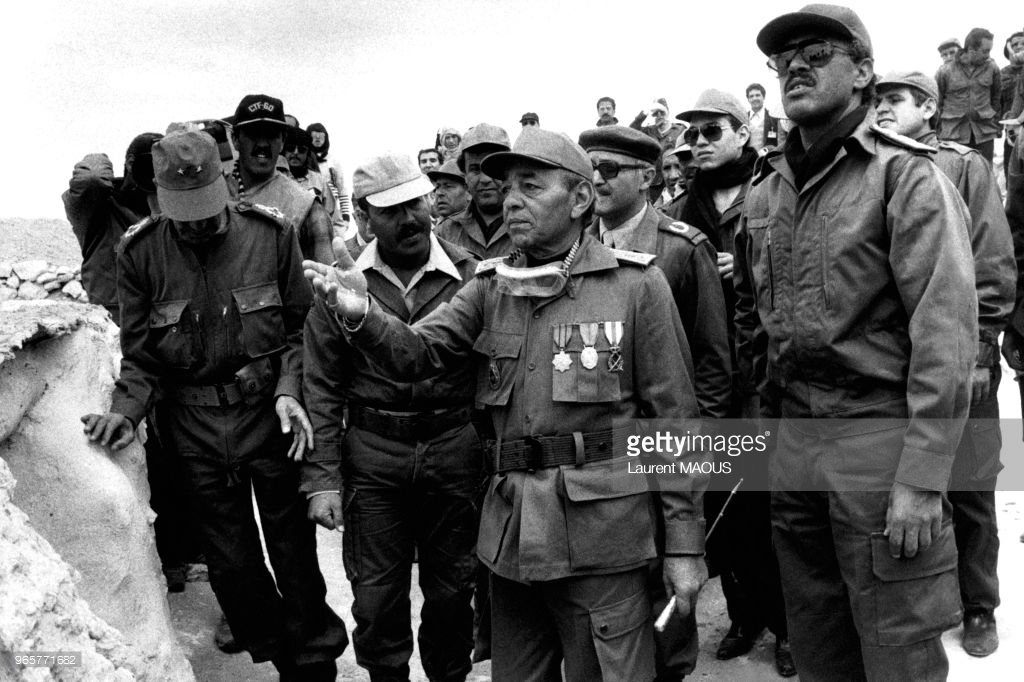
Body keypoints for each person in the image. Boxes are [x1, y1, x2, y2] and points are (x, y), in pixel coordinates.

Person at [302, 126, 708, 681]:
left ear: (581, 199)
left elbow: (676, 427)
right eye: (507, 187)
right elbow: (417, 352)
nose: (512, 200)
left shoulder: (637, 287)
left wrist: (685, 547)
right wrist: (361, 314)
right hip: (514, 542)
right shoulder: (492, 287)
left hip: (604, 541)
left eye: (531, 187)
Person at [735, 6, 976, 681]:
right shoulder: (767, 189)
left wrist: (924, 479)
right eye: (783, 61)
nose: (795, 68)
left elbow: (946, 335)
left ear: (864, 71)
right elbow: (753, 322)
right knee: (818, 644)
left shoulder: (905, 177)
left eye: (816, 52)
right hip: (794, 448)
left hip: (878, 443)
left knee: (898, 651)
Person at [81, 130, 348, 681]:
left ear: (225, 183)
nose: (198, 224)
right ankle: (280, 654)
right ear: (159, 197)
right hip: (193, 431)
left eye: (206, 209)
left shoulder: (270, 235)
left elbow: (302, 330)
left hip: (269, 419)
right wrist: (124, 412)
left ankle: (315, 663)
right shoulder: (139, 253)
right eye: (184, 214)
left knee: (294, 555)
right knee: (232, 569)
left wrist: (287, 389)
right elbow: (140, 357)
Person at [302, 152, 480, 682]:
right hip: (375, 459)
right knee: (377, 598)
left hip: (453, 452)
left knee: (453, 595)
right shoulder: (341, 281)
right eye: (392, 209)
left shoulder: (471, 273)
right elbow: (323, 385)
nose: (409, 219)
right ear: (362, 216)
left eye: (416, 203)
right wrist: (322, 480)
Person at [579, 124, 730, 681]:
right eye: (589, 167)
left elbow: (713, 365)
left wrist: (702, 458)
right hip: (601, 452)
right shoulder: (576, 246)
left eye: (610, 169)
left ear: (648, 177)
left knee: (672, 579)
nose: (596, 178)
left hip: (665, 444)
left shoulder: (681, 249)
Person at [875, 69, 1015, 659]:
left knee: (972, 485)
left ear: (929, 108)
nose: (881, 109)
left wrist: (981, 349)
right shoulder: (875, 170)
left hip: (967, 357)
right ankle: (936, 603)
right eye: (876, 99)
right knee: (913, 486)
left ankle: (979, 605)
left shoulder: (962, 165)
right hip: (908, 363)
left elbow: (992, 262)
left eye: (895, 100)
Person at [674, 88, 794, 677]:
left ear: (743, 133)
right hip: (710, 382)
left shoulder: (775, 189)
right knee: (728, 510)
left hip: (768, 376)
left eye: (711, 131)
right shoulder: (678, 209)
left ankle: (791, 625)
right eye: (691, 135)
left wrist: (745, 264)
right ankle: (745, 616)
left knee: (783, 508)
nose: (698, 143)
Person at [62, 132, 162, 321]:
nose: (155, 174)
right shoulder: (96, 208)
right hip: (114, 322)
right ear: (131, 163)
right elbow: (92, 178)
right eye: (150, 165)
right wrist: (100, 159)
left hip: (161, 320)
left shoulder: (170, 208)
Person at [224, 93, 334, 264]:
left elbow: (326, 281)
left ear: (282, 141)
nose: (262, 144)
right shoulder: (212, 196)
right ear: (235, 139)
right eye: (253, 134)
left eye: (271, 135)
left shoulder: (306, 207)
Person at [434, 123, 513, 260]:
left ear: (509, 171)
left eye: (493, 167)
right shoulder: (445, 233)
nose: (485, 179)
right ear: (464, 175)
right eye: (475, 169)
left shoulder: (533, 226)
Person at [937, 28, 1003, 163]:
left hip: (984, 133)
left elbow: (996, 97)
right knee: (955, 178)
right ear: (971, 50)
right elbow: (937, 103)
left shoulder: (992, 68)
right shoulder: (945, 71)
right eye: (985, 51)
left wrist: (994, 121)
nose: (988, 55)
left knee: (984, 177)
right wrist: (938, 131)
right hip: (954, 134)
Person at [285, 126, 345, 236]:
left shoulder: (319, 181)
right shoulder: (276, 179)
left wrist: (335, 245)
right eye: (290, 148)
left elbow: (336, 221)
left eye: (301, 150)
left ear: (308, 153)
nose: (295, 153)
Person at [307, 122, 353, 227]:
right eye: (314, 136)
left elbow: (342, 190)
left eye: (321, 136)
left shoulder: (332, 161)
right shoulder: (304, 160)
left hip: (331, 214)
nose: (317, 139)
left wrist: (345, 216)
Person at [999, 33, 1024, 182]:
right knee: (1012, 174)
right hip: (1011, 132)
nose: (1019, 46)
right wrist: (1004, 116)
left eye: (1022, 43)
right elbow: (997, 101)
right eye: (1014, 44)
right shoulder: (1003, 73)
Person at [745, 83, 785, 154]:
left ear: (763, 97)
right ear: (748, 99)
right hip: (747, 161)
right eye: (751, 96)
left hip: (767, 160)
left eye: (757, 95)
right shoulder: (743, 118)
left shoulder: (774, 118)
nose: (754, 98)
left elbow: (781, 142)